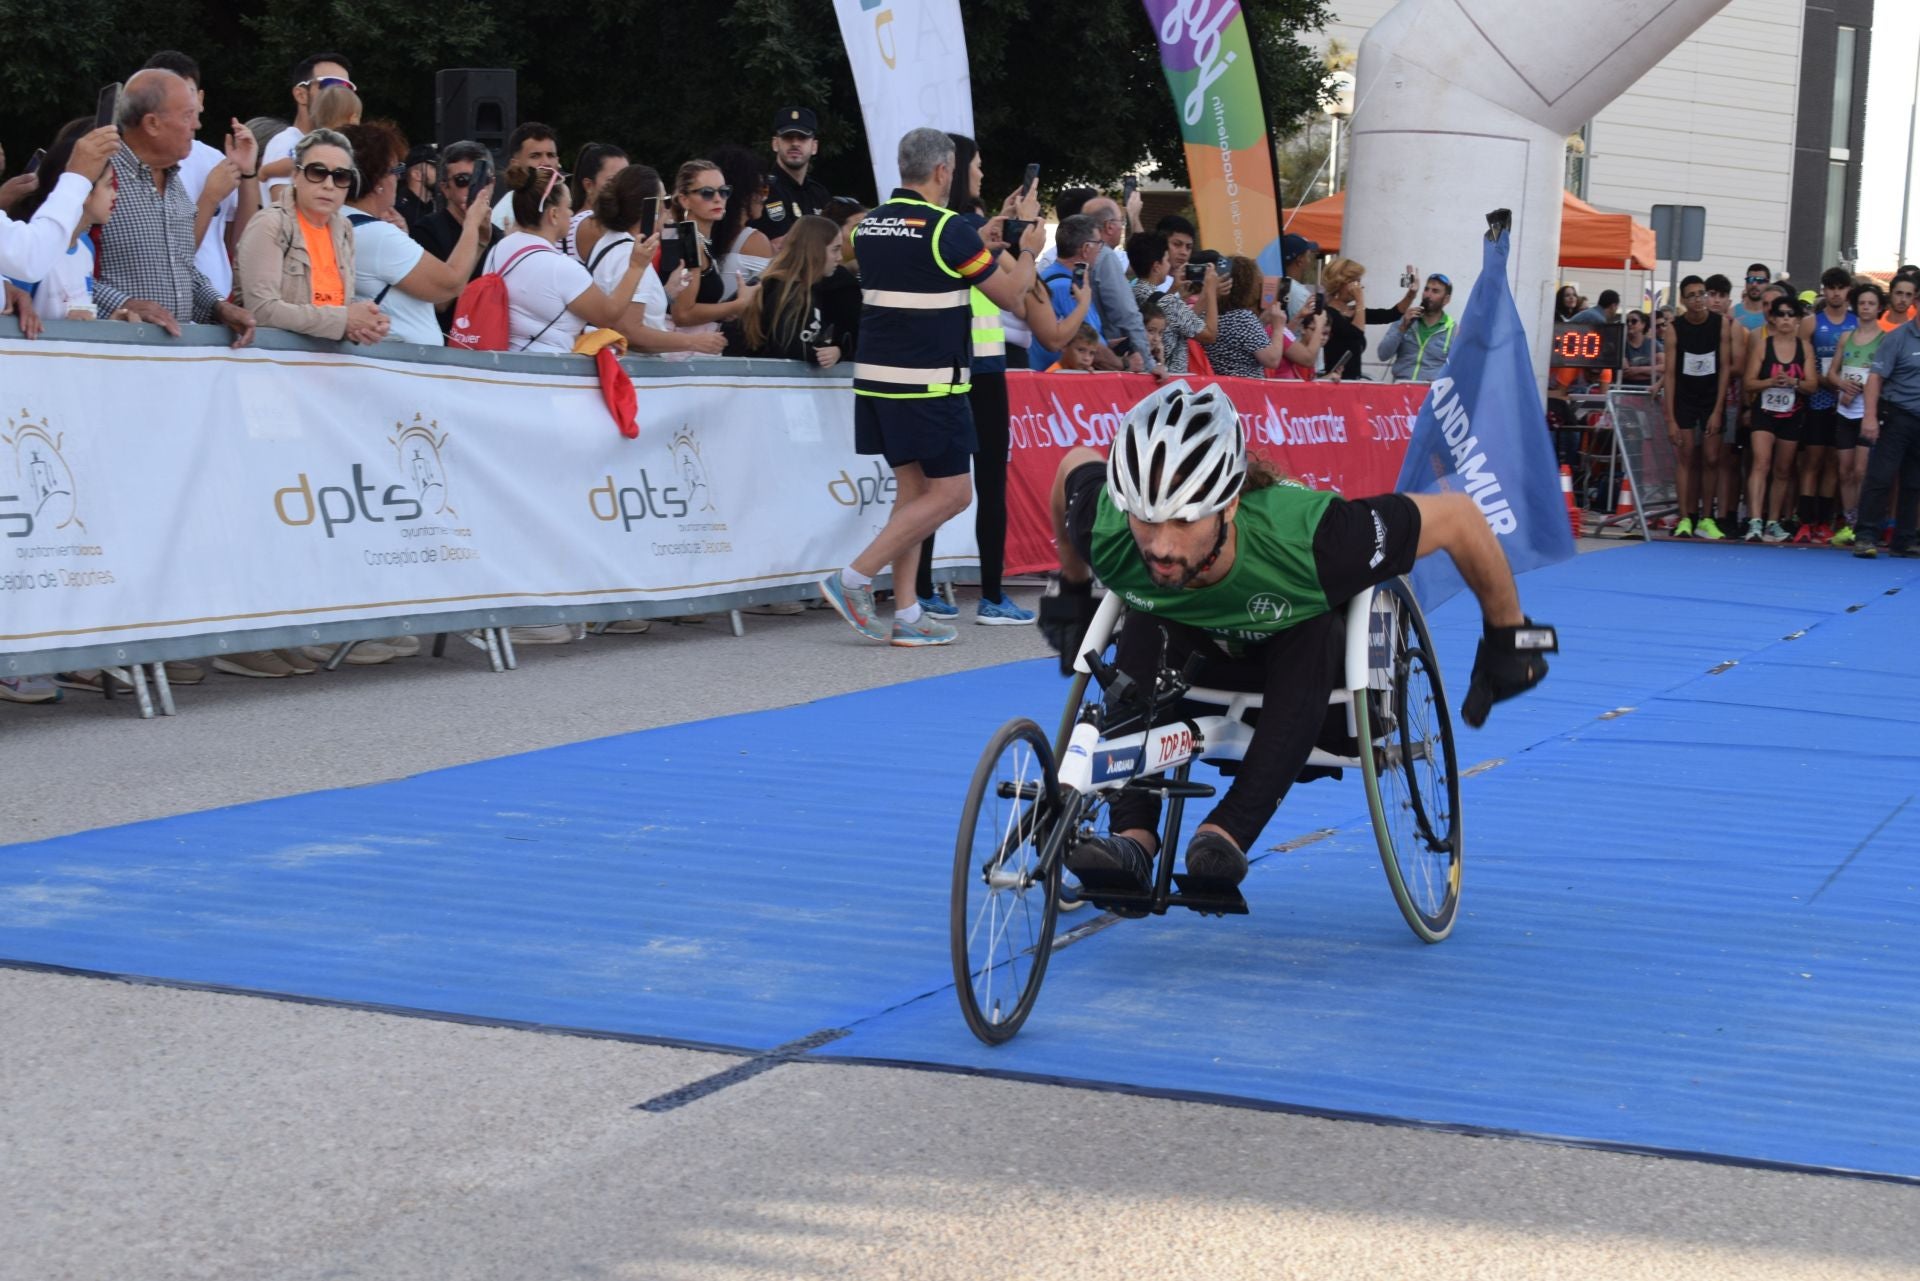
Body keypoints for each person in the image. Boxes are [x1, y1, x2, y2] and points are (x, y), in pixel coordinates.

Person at [1037, 380, 1556, 889]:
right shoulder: (1106, 527)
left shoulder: (1320, 538)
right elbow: (1070, 466)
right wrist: (1074, 593)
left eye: (1183, 522)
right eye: (1146, 521)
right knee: (1143, 598)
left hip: (1299, 682)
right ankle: (1132, 837)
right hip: (1190, 666)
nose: (1162, 544)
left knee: (1317, 623)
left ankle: (1227, 831)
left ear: (1230, 505)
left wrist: (1509, 637)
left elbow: (1462, 517)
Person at [816, 127, 1040, 648]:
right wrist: (1027, 251)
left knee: (913, 494)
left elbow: (926, 266)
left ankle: (909, 611)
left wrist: (980, 238)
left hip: (876, 379)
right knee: (954, 494)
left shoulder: (869, 225)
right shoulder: (947, 228)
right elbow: (1010, 295)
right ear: (944, 172)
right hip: (930, 384)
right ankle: (852, 579)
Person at [910, 134, 1035, 626]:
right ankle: (991, 595)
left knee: (933, 483)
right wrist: (1027, 248)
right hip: (978, 368)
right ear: (956, 170)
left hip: (954, 366)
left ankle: (922, 590)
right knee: (983, 483)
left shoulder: (960, 227)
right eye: (978, 166)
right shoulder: (962, 231)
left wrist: (1002, 224)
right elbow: (1017, 297)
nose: (982, 173)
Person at [93, 69, 255, 346]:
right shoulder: (97, 175)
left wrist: (218, 306)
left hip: (170, 360)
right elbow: (59, 267)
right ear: (152, 123)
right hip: (112, 355)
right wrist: (124, 303)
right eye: (187, 116)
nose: (197, 125)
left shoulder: (174, 181)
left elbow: (181, 267)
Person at [236, 127, 388, 345]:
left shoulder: (344, 228)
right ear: (295, 175)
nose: (328, 185)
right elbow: (261, 311)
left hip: (325, 364)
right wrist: (344, 319)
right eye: (317, 172)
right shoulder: (270, 223)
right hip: (275, 364)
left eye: (341, 176)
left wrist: (363, 326)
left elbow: (335, 309)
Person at [341, 123, 488, 347]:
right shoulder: (379, 236)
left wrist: (477, 243)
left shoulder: (341, 224)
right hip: (401, 367)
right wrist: (472, 224)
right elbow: (449, 286)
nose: (398, 180)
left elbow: (440, 299)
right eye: (396, 171)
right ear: (379, 180)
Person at [481, 163, 650, 355]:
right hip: (549, 373)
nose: (571, 213)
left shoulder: (499, 248)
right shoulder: (561, 268)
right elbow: (608, 315)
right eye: (568, 207)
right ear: (553, 214)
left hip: (503, 363)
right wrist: (636, 266)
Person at [141, 51, 260, 306]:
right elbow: (170, 257)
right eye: (172, 96)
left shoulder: (213, 158)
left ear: (201, 99)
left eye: (189, 93)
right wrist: (209, 197)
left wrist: (248, 173)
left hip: (218, 302)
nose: (185, 105)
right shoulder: (143, 163)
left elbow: (239, 242)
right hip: (166, 304)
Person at [582, 164, 727, 355]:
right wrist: (693, 341)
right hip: (633, 371)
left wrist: (666, 293)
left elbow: (625, 308)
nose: (669, 209)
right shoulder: (630, 255)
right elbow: (631, 332)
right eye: (665, 201)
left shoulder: (610, 241)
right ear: (650, 209)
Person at [6, 121, 118, 324]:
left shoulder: (86, 246)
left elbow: (78, 311)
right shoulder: (31, 246)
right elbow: (16, 326)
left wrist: (109, 324)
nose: (117, 195)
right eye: (110, 184)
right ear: (85, 190)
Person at [1739, 294, 1816, 542]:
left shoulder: (1804, 347)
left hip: (1791, 414)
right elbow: (1748, 382)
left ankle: (1773, 521)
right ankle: (1754, 520)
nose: (1785, 319)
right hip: (1764, 413)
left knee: (1783, 470)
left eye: (1790, 314)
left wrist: (1793, 381)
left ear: (1797, 319)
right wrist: (1770, 382)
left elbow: (1813, 385)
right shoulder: (1763, 345)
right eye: (1780, 314)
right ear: (1773, 317)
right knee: (1761, 463)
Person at [733, 214, 854, 363]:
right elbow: (787, 349)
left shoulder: (809, 288)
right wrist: (830, 353)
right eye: (835, 250)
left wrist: (837, 351)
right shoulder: (781, 289)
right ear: (815, 250)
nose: (840, 257)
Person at [1664, 276, 1732, 539]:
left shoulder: (1720, 324)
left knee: (1712, 458)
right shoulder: (1675, 328)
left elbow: (1725, 368)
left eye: (1701, 294)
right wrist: (1670, 418)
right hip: (1685, 398)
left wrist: (1717, 409)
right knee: (1686, 457)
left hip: (1711, 397)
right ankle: (1684, 518)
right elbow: (1669, 374)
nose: (1698, 300)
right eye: (1691, 295)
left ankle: (1707, 518)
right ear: (1683, 300)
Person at [1795, 266, 1859, 541]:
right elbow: (1798, 359)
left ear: (1848, 291)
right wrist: (1821, 380)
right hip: (1818, 399)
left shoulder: (1856, 323)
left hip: (1846, 401)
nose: (1835, 293)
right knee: (1812, 461)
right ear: (1824, 290)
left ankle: (1824, 520)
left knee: (1835, 463)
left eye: (1840, 288)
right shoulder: (1811, 322)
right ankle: (1806, 521)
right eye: (1830, 287)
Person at [1854, 290, 1920, 558]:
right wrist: (1869, 416)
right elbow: (1875, 379)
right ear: (1917, 303)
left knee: (1914, 483)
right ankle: (1866, 535)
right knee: (1880, 477)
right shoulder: (1897, 338)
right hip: (1897, 416)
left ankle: (1903, 539)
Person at [664, 159, 762, 333]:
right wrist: (737, 305)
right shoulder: (690, 241)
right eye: (707, 193)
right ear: (685, 200)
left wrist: (721, 311)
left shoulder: (696, 238)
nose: (718, 199)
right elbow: (682, 314)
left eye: (724, 192)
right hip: (682, 350)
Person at [1827, 282, 1885, 547]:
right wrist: (1842, 385)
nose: (1866, 308)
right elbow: (1831, 373)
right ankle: (1850, 523)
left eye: (1871, 304)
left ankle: (1864, 523)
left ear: (1878, 308)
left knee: (1862, 471)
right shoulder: (1845, 337)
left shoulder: (1885, 339)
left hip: (1866, 412)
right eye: (1862, 303)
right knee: (1845, 471)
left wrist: (1862, 388)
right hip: (1844, 410)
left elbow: (1885, 377)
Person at [1204, 254, 1317, 379]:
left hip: (1219, 385)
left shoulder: (1209, 315)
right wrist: (1278, 327)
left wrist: (1263, 322)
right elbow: (1272, 359)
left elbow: (1247, 341)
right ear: (1248, 286)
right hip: (1245, 388)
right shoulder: (1243, 318)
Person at [259, 52, 353, 200]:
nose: (339, 97)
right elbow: (285, 213)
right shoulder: (286, 143)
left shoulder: (339, 147)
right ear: (301, 95)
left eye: (346, 89)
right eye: (330, 86)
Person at [1128, 230, 1218, 376]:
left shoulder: (1130, 292)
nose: (1169, 265)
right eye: (1167, 260)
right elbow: (1209, 335)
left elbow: (1176, 323)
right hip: (1168, 384)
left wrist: (1174, 290)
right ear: (1157, 266)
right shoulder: (1168, 302)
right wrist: (1211, 290)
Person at [1030, 214, 1108, 369]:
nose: (1101, 249)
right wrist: (1126, 364)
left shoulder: (1047, 276)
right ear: (1086, 249)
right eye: (1099, 243)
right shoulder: (1069, 288)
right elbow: (1094, 348)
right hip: (1055, 382)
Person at [754, 107, 833, 244]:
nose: (795, 143)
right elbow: (779, 245)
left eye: (802, 137)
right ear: (775, 144)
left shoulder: (819, 194)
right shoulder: (765, 190)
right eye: (787, 137)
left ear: (814, 146)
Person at [1376, 273, 1455, 382]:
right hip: (1401, 387)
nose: (1428, 294)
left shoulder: (1452, 329)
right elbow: (1383, 355)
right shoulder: (1405, 319)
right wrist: (1402, 328)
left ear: (1446, 299)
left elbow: (1458, 367)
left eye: (1435, 291)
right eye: (1426, 289)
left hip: (1430, 392)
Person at [490, 123, 561, 234]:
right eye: (535, 156)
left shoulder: (561, 202)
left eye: (551, 155)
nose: (546, 163)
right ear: (515, 165)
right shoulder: (505, 215)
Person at [564, 143, 627, 261]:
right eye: (613, 181)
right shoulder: (593, 224)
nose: (624, 187)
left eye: (628, 179)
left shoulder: (583, 220)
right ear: (589, 185)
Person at [394, 143, 437, 230]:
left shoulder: (436, 204)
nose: (440, 172)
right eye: (434, 167)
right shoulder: (399, 212)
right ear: (417, 175)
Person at [1620, 310, 1664, 387]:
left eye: (1634, 321)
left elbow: (1663, 368)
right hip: (1628, 388)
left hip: (1650, 389)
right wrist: (1653, 371)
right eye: (1627, 321)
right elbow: (1627, 373)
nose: (1629, 324)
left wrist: (1638, 370)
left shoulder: (1653, 344)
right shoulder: (1622, 345)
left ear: (1643, 324)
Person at [1730, 264, 1771, 330]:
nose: (1754, 284)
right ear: (1745, 283)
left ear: (1768, 284)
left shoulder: (1774, 314)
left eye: (1760, 280)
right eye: (1750, 280)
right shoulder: (1733, 312)